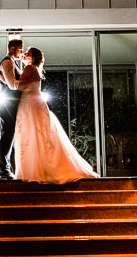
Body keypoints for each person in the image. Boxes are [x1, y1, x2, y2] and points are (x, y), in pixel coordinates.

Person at [13, 47, 99, 184]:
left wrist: (5, 79)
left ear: (33, 58)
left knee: (31, 135)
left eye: (27, 54)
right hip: (36, 105)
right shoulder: (34, 70)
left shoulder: (30, 68)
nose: (24, 54)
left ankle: (35, 170)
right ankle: (41, 168)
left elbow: (18, 86)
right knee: (40, 137)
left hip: (29, 106)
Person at [0, 38, 23, 180]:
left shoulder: (12, 63)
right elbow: (11, 85)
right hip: (8, 104)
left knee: (10, 134)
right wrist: (29, 83)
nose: (21, 52)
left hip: (12, 103)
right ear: (12, 49)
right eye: (20, 49)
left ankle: (5, 168)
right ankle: (3, 170)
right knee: (7, 135)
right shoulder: (7, 62)